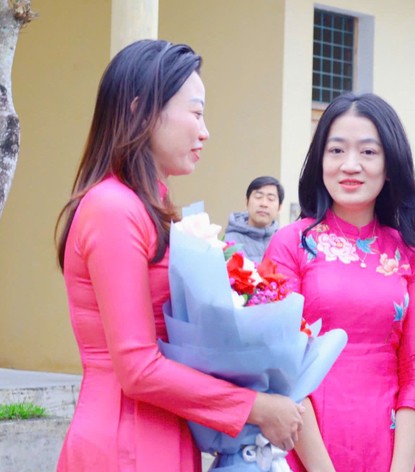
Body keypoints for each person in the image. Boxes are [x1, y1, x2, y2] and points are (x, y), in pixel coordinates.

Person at [55, 39, 303, 472]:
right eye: (196, 112)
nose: (205, 131)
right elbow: (135, 368)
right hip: (124, 439)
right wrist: (255, 406)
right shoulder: (113, 208)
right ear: (141, 111)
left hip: (160, 430)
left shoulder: (147, 205)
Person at [264, 92, 415, 471]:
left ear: (390, 165)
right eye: (336, 151)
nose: (350, 165)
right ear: (320, 161)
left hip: (389, 448)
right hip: (304, 447)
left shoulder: (409, 255)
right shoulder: (290, 244)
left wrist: (401, 467)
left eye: (368, 153)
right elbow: (282, 365)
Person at [224, 175, 284, 262]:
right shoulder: (230, 241)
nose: (264, 204)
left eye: (271, 199)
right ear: (246, 202)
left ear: (280, 207)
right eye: (258, 197)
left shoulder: (283, 241)